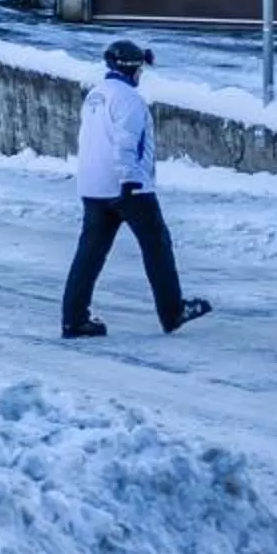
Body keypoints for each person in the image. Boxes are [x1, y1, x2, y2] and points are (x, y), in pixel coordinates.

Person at [60, 39, 212, 340]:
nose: (141, 74)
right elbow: (126, 143)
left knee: (90, 254)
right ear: (132, 69)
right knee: (157, 246)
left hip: (94, 187)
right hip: (128, 188)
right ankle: (172, 311)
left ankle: (73, 318)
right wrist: (130, 181)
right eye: (140, 68)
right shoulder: (129, 99)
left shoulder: (96, 95)